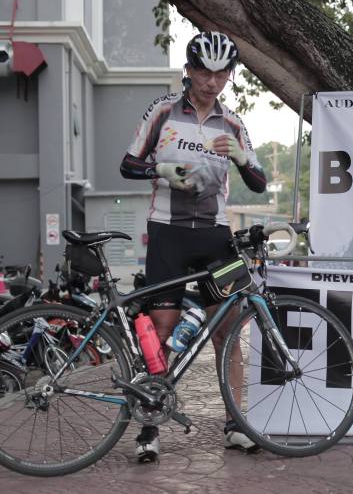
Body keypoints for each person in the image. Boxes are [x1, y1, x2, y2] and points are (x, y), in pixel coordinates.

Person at [119, 31, 267, 462]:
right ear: (189, 70)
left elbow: (260, 183)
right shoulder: (163, 110)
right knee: (162, 330)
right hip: (168, 232)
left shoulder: (233, 123)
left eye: (222, 74)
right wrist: (160, 170)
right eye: (204, 72)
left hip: (215, 235)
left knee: (227, 332)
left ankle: (235, 425)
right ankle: (149, 427)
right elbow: (128, 164)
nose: (212, 82)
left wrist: (242, 157)